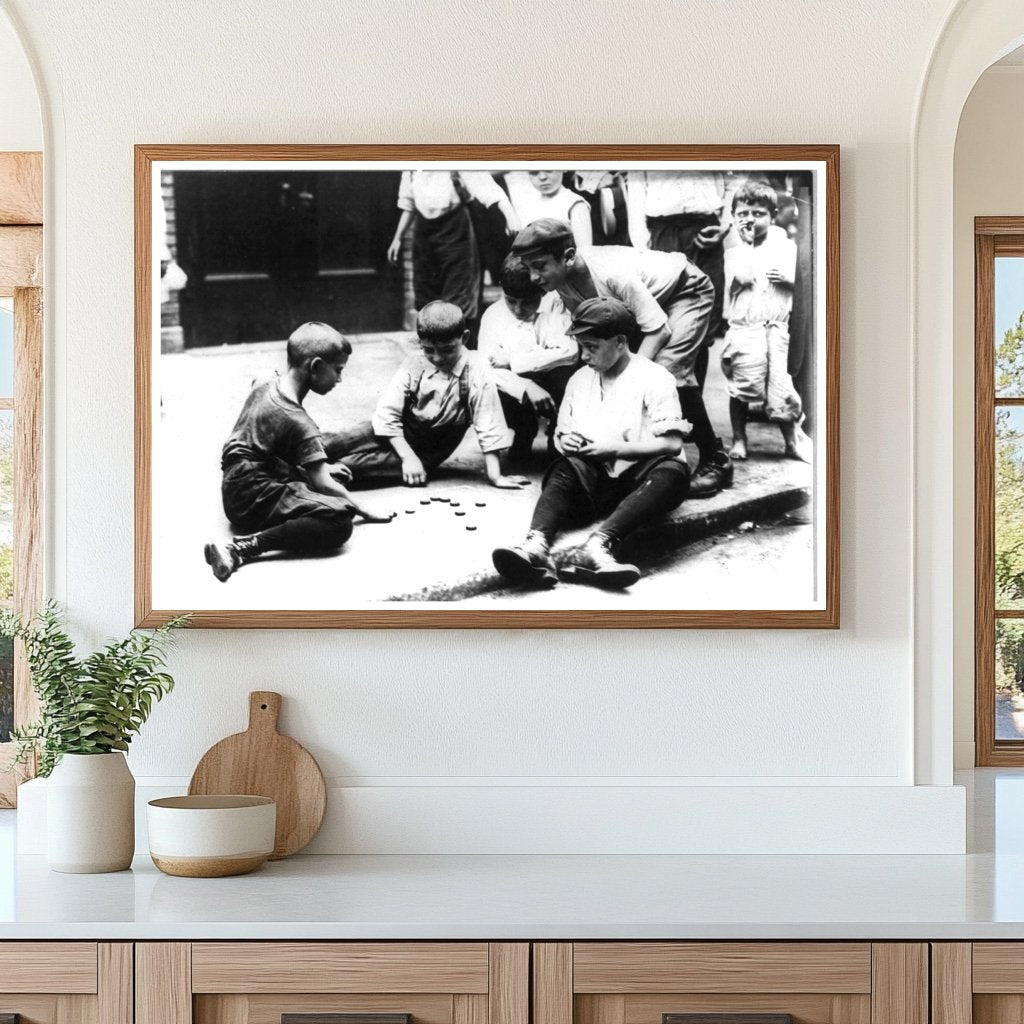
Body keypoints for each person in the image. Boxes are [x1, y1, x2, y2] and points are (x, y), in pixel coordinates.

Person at [511, 218, 732, 496]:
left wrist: (630, 377)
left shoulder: (611, 273)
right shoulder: (561, 281)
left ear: (568, 256)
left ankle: (715, 459)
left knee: (668, 373)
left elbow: (658, 330)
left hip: (686, 289)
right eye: (529, 268)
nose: (533, 277)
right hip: (647, 303)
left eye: (540, 266)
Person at [492, 297, 690, 590]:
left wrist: (615, 449)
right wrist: (566, 441)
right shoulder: (580, 380)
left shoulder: (655, 377)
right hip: (596, 483)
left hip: (639, 480)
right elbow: (562, 433)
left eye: (592, 347)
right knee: (564, 467)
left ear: (620, 342)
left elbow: (672, 444)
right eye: (581, 346)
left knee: (674, 472)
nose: (584, 355)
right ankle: (536, 546)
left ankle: (599, 544)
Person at [204, 322, 394, 583]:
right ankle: (240, 548)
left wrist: (320, 470)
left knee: (332, 478)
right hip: (252, 500)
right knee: (339, 518)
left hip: (235, 486)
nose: (340, 379)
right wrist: (362, 508)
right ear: (315, 366)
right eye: (338, 370)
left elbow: (271, 436)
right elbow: (322, 483)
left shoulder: (266, 380)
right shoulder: (300, 422)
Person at [325, 301, 529, 490]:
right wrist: (407, 457)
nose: (437, 358)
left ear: (465, 338)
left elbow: (488, 423)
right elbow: (387, 414)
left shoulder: (477, 368)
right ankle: (307, 464)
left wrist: (496, 476)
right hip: (391, 430)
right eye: (429, 350)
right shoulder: (414, 362)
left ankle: (314, 475)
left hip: (427, 451)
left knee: (347, 469)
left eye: (447, 350)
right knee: (332, 443)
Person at [720, 182, 811, 462]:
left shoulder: (786, 247)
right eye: (743, 214)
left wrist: (789, 279)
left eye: (758, 213)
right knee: (742, 387)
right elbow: (743, 278)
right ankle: (739, 438)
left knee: (782, 389)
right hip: (746, 330)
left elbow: (803, 288)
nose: (750, 219)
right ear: (733, 217)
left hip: (777, 330)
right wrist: (747, 243)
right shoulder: (734, 251)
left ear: (772, 216)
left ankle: (791, 441)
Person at [386, 170, 519, 335]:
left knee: (459, 295)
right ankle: (433, 344)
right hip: (424, 235)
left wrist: (510, 215)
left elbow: (487, 189)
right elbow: (409, 205)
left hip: (456, 231)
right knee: (426, 293)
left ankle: (459, 345)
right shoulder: (412, 169)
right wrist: (397, 238)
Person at [478, 254, 578, 461]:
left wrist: (513, 360)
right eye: (511, 301)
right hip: (517, 388)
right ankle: (524, 430)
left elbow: (569, 352)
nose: (518, 309)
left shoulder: (557, 304)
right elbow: (486, 368)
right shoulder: (493, 315)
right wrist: (527, 387)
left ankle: (558, 435)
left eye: (528, 302)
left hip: (552, 381)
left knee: (568, 378)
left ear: (542, 291)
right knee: (488, 387)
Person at [626, 169, 733, 340]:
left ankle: (702, 356)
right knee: (666, 314)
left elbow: (733, 180)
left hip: (707, 228)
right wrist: (643, 249)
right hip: (664, 232)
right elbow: (635, 195)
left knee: (707, 312)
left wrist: (726, 224)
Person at [504, 170, 593, 246]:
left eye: (549, 170)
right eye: (534, 172)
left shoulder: (575, 204)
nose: (542, 177)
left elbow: (584, 251)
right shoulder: (527, 206)